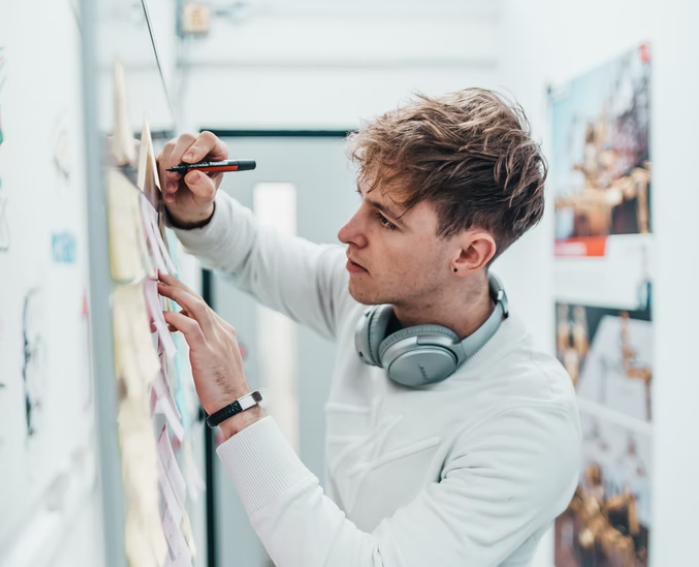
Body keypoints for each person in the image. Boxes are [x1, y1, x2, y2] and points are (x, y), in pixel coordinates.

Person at [156, 88, 581, 567]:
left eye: (385, 219)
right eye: (363, 201)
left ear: (468, 254)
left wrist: (237, 407)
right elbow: (255, 255)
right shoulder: (370, 302)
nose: (347, 232)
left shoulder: (528, 421)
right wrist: (196, 209)